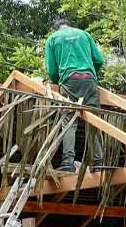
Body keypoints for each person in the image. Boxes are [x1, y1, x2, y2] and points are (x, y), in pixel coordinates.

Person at [44, 19, 106, 172]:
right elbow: (99, 60)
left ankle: (67, 162)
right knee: (94, 122)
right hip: (89, 81)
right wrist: (90, 73)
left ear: (56, 29)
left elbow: (51, 70)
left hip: (69, 81)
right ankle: (99, 163)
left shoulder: (53, 39)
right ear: (69, 25)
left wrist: (59, 81)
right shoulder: (85, 35)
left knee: (69, 121)